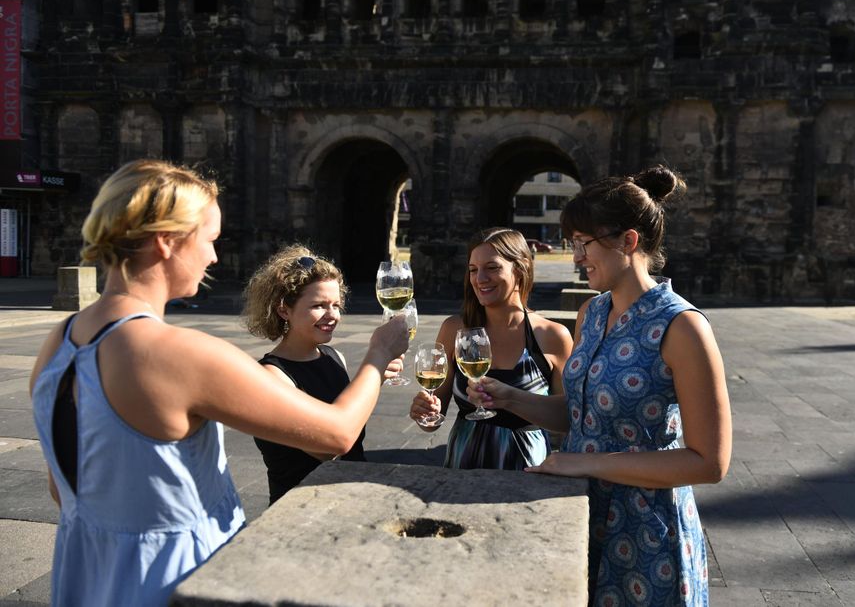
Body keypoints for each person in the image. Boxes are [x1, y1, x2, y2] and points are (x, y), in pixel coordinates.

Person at [28, 159, 408, 607]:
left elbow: (61, 487)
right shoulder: (177, 353)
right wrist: (378, 353)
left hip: (86, 569)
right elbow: (336, 434)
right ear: (168, 242)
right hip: (174, 578)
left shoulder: (60, 340)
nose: (213, 256)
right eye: (209, 240)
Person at [471, 167, 731, 606]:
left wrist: (584, 463)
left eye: (583, 244)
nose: (575, 257)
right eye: (574, 244)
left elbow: (709, 463)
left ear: (627, 242)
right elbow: (578, 414)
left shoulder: (682, 326)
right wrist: (511, 398)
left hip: (647, 531)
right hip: (581, 512)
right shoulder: (592, 312)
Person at [242, 245, 403, 505]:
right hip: (302, 510)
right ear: (284, 310)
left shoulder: (332, 356)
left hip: (351, 498)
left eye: (336, 305)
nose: (332, 316)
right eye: (319, 305)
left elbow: (350, 418)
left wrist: (377, 378)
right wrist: (376, 358)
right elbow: (330, 447)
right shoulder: (272, 376)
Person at [410, 227, 573, 469]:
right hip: (463, 464)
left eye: (492, 267)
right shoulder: (453, 330)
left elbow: (567, 420)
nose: (480, 279)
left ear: (520, 268)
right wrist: (424, 412)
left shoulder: (552, 336)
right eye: (473, 270)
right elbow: (432, 420)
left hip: (526, 467)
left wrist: (512, 400)